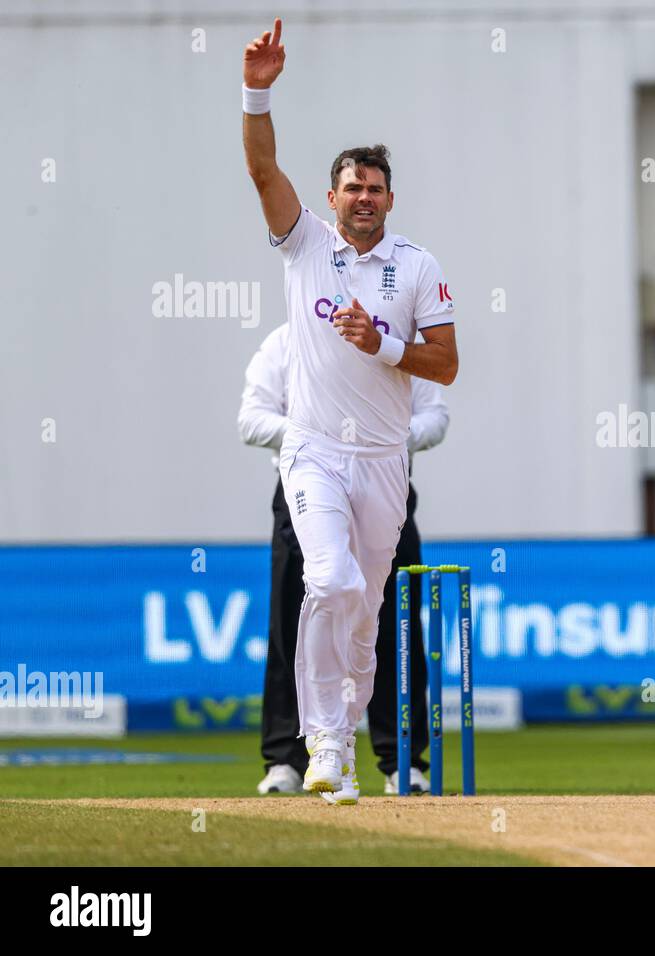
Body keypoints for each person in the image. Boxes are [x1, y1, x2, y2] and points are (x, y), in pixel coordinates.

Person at [241, 19, 458, 803]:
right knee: (327, 585)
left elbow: (448, 365)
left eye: (374, 188)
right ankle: (321, 741)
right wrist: (257, 90)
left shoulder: (417, 266)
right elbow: (263, 168)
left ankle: (353, 741)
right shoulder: (304, 247)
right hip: (314, 452)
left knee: (365, 616)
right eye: (350, 187)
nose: (363, 198)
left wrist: (384, 345)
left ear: (389, 199)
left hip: (381, 461)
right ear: (330, 199)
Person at [238, 323, 450, 798]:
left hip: (386, 483)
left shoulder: (394, 343)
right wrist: (321, 436)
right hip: (306, 488)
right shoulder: (288, 341)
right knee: (295, 619)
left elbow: (434, 417)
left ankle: (401, 762)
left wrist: (380, 437)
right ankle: (286, 760)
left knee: (396, 624)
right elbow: (251, 419)